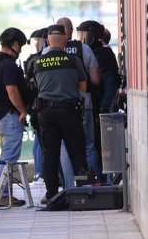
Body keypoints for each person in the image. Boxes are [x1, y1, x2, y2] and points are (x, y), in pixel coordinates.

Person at [34, 24, 88, 204]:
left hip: (45, 112)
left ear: (48, 40)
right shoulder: (73, 61)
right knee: (77, 151)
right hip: (68, 110)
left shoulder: (38, 62)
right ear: (65, 39)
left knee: (50, 154)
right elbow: (83, 85)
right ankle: (82, 192)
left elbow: (35, 85)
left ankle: (51, 194)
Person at [0, 27, 28, 207]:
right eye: (21, 46)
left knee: (5, 155)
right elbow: (12, 91)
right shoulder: (8, 65)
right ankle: (2, 194)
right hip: (9, 116)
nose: (21, 50)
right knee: (9, 158)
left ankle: (3, 193)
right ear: (15, 44)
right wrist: (22, 110)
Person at [56, 17, 102, 186]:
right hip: (84, 103)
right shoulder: (84, 49)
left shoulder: (47, 53)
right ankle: (92, 184)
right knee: (88, 146)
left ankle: (70, 188)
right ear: (71, 30)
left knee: (65, 149)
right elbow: (96, 80)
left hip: (59, 105)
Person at [77, 20, 121, 183]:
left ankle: (103, 179)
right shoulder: (85, 52)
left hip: (100, 105)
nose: (81, 39)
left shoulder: (104, 54)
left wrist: (103, 109)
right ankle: (97, 177)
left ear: (93, 36)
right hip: (90, 104)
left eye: (84, 35)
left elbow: (110, 83)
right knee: (92, 145)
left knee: (101, 145)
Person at [23, 28, 48, 182]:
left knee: (39, 140)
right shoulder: (35, 60)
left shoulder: (32, 60)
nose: (36, 44)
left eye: (38, 40)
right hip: (39, 104)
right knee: (40, 140)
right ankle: (40, 172)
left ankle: (40, 172)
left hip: (34, 105)